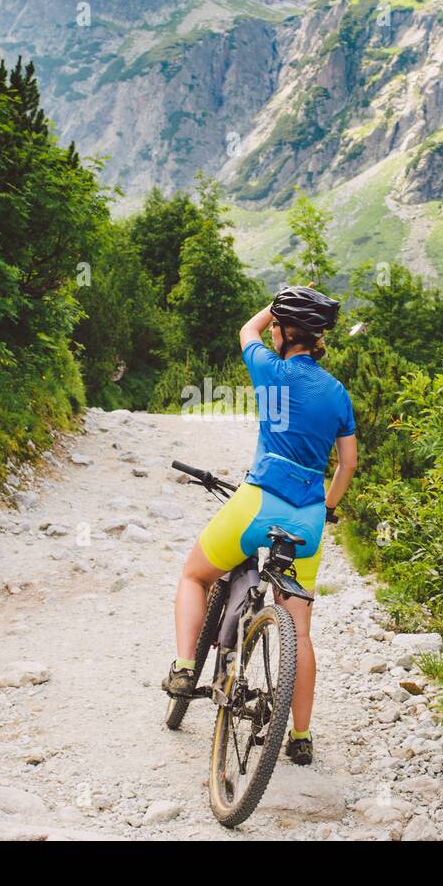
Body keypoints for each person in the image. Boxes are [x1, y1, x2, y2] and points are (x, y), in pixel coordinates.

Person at [163, 285, 358, 766]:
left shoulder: (270, 369)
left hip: (259, 502)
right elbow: (348, 464)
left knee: (194, 575)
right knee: (300, 629)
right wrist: (328, 508)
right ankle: (301, 736)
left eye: (278, 325)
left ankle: (187, 670)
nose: (270, 330)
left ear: (287, 330)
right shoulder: (337, 393)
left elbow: (246, 329)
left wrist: (276, 306)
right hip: (309, 519)